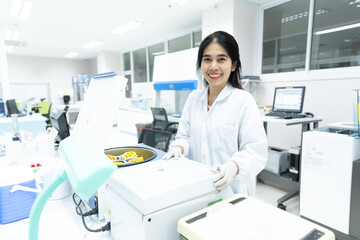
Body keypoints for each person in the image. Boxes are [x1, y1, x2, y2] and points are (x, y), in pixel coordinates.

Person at [162, 31, 268, 196]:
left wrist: (234, 166)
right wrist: (179, 147)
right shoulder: (193, 99)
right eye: (207, 59)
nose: (213, 66)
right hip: (198, 186)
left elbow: (255, 150)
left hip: (232, 190)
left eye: (221, 59)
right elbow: (184, 136)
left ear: (233, 65)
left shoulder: (243, 101)